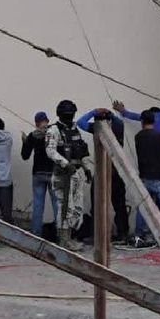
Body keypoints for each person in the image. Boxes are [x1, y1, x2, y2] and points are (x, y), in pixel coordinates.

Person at [114, 100, 160, 219]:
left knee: (146, 201)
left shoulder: (141, 133)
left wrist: (122, 111)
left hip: (149, 166)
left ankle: (148, 225)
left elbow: (134, 116)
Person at [46, 99, 93, 251]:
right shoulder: (53, 130)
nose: (69, 117)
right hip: (63, 175)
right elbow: (50, 151)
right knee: (65, 207)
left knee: (77, 208)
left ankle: (70, 237)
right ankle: (63, 240)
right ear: (60, 114)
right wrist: (65, 164)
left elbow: (81, 151)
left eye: (71, 114)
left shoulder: (74, 130)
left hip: (76, 173)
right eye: (67, 114)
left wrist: (86, 169)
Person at [77, 108, 130, 242]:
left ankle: (97, 236)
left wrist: (93, 112)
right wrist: (110, 114)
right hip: (117, 171)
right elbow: (119, 121)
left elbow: (80, 122)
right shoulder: (118, 127)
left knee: (97, 205)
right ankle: (123, 234)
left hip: (102, 172)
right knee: (119, 205)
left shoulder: (97, 128)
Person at [132, 109, 160, 248]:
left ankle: (139, 235)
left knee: (144, 207)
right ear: (155, 121)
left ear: (142, 122)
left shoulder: (138, 137)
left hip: (145, 177)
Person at [21, 111, 58, 235]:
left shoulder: (32, 136)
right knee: (57, 204)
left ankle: (36, 233)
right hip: (53, 173)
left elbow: (25, 156)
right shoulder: (55, 133)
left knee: (38, 205)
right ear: (47, 120)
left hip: (38, 173)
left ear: (36, 123)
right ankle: (60, 234)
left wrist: (25, 142)